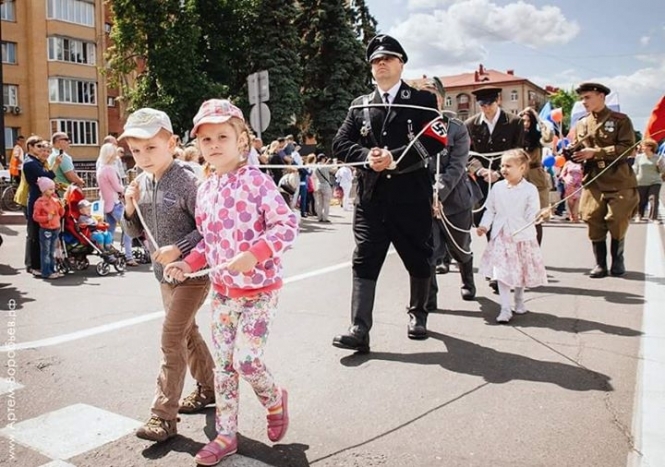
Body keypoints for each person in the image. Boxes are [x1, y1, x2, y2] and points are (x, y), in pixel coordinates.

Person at [164, 99, 298, 465]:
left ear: (242, 140)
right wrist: (185, 263)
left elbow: (287, 225)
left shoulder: (257, 181)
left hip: (259, 292)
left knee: (248, 361)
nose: (214, 145)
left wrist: (256, 254)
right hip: (223, 295)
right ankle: (226, 435)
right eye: (206, 139)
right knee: (223, 367)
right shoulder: (205, 189)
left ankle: (273, 399)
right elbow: (207, 242)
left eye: (223, 135)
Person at [331, 34, 447, 350]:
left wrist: (394, 157)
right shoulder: (361, 105)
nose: (381, 64)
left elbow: (436, 140)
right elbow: (340, 143)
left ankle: (418, 313)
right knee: (365, 259)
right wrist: (367, 158)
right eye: (375, 61)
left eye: (388, 59)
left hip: (411, 196)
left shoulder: (420, 101)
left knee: (418, 257)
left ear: (401, 63)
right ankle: (359, 328)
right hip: (372, 199)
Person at [120, 108, 216, 442]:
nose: (143, 156)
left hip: (194, 273)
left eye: (150, 147)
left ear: (171, 143)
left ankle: (163, 416)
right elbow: (133, 232)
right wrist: (129, 208)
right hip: (163, 275)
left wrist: (180, 247)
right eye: (135, 150)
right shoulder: (140, 183)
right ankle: (208, 388)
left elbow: (210, 229)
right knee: (188, 333)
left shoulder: (189, 180)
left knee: (171, 337)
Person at [570, 82, 639, 278]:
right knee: (592, 219)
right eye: (582, 98)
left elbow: (627, 147)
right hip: (593, 180)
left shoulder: (620, 120)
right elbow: (579, 147)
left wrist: (597, 152)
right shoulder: (582, 123)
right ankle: (600, 264)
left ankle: (617, 259)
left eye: (587, 97)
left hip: (618, 179)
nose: (584, 102)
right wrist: (571, 153)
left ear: (601, 96)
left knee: (616, 219)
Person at [419, 79, 478, 303]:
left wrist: (439, 192)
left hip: (454, 199)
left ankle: (468, 281)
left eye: (432, 95)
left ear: (441, 99)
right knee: (429, 252)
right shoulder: (413, 128)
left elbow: (457, 165)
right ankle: (429, 296)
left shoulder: (456, 127)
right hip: (424, 200)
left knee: (460, 247)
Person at [476, 149, 548, 323]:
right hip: (501, 235)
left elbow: (532, 214)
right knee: (502, 272)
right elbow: (490, 209)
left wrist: (539, 215)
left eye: (508, 166)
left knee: (520, 271)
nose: (503, 169)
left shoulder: (530, 190)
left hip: (521, 236)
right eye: (502, 165)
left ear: (522, 168)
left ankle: (519, 299)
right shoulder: (497, 187)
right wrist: (485, 225)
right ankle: (505, 308)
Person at [465, 86, 524, 293]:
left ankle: (501, 271)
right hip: (482, 182)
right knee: (487, 225)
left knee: (504, 224)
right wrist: (480, 171)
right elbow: (468, 153)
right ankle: (496, 267)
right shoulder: (471, 124)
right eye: (482, 105)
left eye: (489, 104)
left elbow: (518, 151)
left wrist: (501, 172)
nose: (486, 108)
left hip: (506, 180)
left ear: (498, 101)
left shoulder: (514, 122)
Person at [23, 137, 63, 276]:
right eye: (39, 146)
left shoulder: (37, 162)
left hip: (40, 199)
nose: (42, 150)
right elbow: (46, 178)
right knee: (34, 235)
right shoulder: (30, 163)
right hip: (36, 201)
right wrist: (56, 165)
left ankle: (39, 265)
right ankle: (34, 265)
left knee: (38, 236)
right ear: (31, 147)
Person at [96, 143, 139, 265]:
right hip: (115, 203)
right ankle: (129, 256)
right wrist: (126, 188)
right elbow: (117, 187)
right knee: (128, 228)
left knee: (110, 230)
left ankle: (109, 252)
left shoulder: (101, 168)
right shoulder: (109, 169)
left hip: (106, 203)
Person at [521, 107, 553, 244]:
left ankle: (536, 250)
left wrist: (538, 118)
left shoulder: (538, 136)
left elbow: (549, 137)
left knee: (537, 217)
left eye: (528, 121)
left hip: (536, 176)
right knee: (520, 217)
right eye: (523, 121)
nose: (526, 124)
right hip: (520, 176)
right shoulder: (518, 136)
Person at [32, 177, 65, 280]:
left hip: (56, 228)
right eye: (50, 189)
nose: (53, 191)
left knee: (52, 251)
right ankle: (46, 272)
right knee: (46, 251)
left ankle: (52, 270)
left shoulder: (54, 200)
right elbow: (35, 217)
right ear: (43, 190)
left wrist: (62, 206)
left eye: (53, 189)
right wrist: (46, 218)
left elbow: (61, 213)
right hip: (46, 229)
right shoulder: (40, 202)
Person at [633, 138, 664, 223]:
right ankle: (639, 215)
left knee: (653, 199)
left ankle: (654, 218)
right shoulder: (639, 157)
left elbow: (662, 171)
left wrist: (660, 165)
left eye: (644, 146)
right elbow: (635, 168)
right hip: (641, 182)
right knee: (641, 200)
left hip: (655, 182)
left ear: (650, 147)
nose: (642, 147)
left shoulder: (658, 158)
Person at [313, 154, 335, 223]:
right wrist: (334, 162)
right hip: (326, 185)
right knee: (326, 203)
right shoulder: (325, 166)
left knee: (319, 202)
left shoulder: (315, 167)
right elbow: (334, 169)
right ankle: (325, 217)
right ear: (322, 159)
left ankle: (319, 217)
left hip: (319, 185)